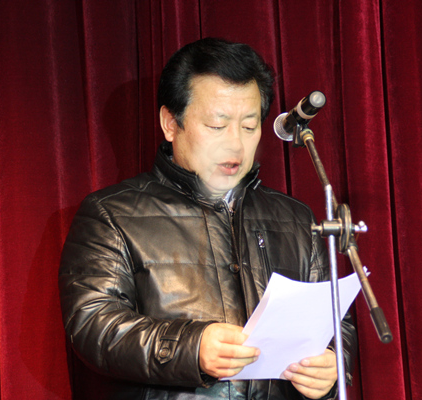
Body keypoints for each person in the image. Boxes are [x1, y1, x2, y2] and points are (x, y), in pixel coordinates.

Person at [59, 37, 357, 400]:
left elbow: (335, 322)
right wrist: (192, 347)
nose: (235, 144)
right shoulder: (112, 214)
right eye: (217, 126)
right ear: (171, 123)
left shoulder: (296, 218)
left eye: (249, 126)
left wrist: (331, 365)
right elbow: (94, 325)